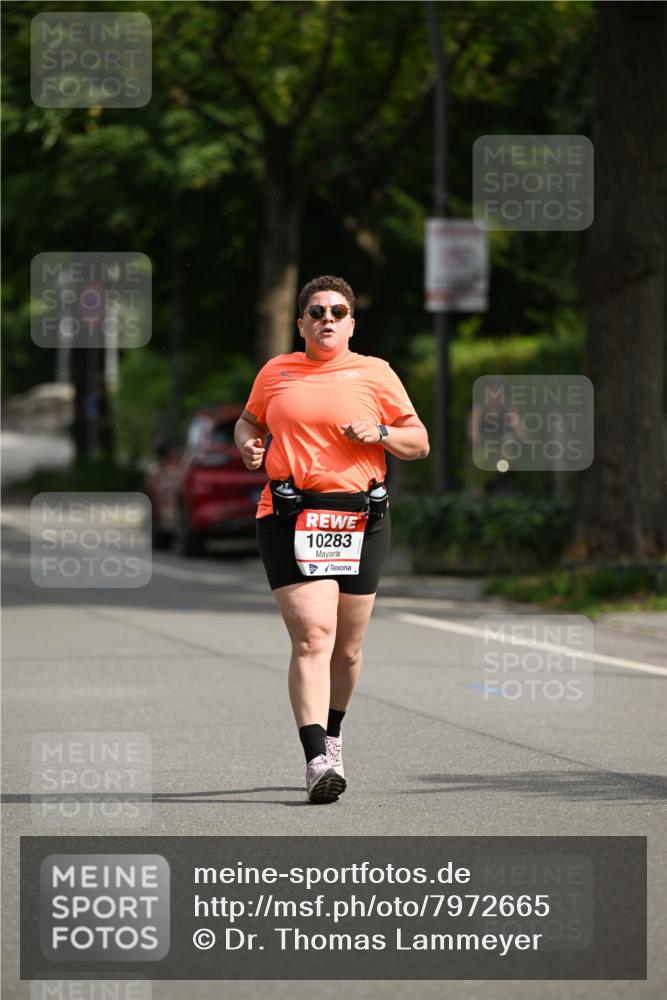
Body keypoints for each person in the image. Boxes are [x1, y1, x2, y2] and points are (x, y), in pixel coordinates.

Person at [234, 275, 429, 804]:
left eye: (337, 312)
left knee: (346, 649)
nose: (327, 319)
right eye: (317, 311)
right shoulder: (276, 372)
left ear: (351, 324)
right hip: (290, 516)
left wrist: (382, 433)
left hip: (360, 519)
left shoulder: (376, 373)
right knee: (313, 637)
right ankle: (316, 758)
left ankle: (333, 733)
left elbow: (419, 442)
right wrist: (249, 444)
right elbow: (248, 422)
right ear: (301, 323)